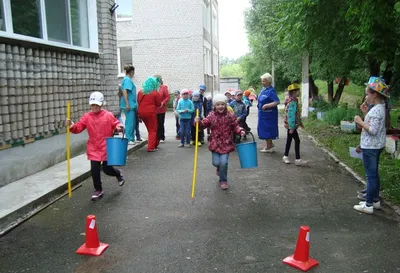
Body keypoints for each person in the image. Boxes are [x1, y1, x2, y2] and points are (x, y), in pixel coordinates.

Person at [66, 92, 124, 201]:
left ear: (101, 104)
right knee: (94, 170)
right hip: (93, 147)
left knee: (107, 169)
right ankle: (98, 190)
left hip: (107, 146)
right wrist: (72, 126)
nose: (95, 107)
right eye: (93, 105)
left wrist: (119, 126)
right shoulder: (87, 117)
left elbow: (116, 123)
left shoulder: (108, 115)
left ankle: (118, 174)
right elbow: (79, 127)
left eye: (97, 105)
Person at [353, 76, 389, 214]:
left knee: (370, 176)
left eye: (367, 94)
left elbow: (372, 130)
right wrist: (365, 113)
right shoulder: (378, 108)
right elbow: (375, 125)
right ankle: (375, 201)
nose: (366, 96)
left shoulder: (377, 110)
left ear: (374, 95)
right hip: (375, 146)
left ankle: (368, 205)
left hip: (371, 147)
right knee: (374, 175)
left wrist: (359, 120)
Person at [195, 94, 245, 190]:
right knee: (216, 163)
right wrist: (198, 122)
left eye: (222, 104)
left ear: (225, 105)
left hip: (226, 143)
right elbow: (203, 124)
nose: (220, 106)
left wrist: (240, 130)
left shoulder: (230, 115)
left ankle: (223, 180)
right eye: (218, 104)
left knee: (224, 163)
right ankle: (218, 168)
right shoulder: (211, 115)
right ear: (215, 106)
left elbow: (235, 126)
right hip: (215, 143)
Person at [282, 83, 309, 165]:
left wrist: (299, 123)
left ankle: (285, 156)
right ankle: (297, 159)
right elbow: (291, 115)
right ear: (294, 92)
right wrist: (292, 127)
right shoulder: (293, 101)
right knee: (297, 140)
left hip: (290, 125)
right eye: (298, 91)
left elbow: (295, 114)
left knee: (289, 140)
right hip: (291, 125)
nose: (299, 92)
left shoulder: (290, 100)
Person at [137, 77, 162, 152]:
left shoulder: (140, 92)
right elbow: (158, 104)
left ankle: (154, 143)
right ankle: (151, 147)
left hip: (141, 112)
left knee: (150, 129)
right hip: (151, 112)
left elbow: (138, 102)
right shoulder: (155, 93)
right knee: (153, 129)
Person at [257, 72, 280, 153]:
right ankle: (270, 144)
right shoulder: (263, 89)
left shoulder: (271, 91)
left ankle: (269, 147)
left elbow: (277, 101)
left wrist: (267, 105)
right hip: (263, 114)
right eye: (262, 81)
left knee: (268, 129)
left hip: (269, 114)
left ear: (269, 82)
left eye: (264, 81)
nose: (262, 82)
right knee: (263, 129)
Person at [120, 65, 137, 144]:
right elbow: (125, 91)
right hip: (129, 104)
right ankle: (129, 139)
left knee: (130, 122)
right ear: (131, 72)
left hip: (130, 104)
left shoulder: (125, 79)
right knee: (130, 122)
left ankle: (131, 138)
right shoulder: (127, 80)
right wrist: (127, 103)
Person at [154, 75, 170, 143]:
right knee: (155, 123)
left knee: (160, 123)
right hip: (154, 108)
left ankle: (161, 137)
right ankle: (156, 137)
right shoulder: (153, 88)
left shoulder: (163, 87)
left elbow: (167, 96)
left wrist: (163, 102)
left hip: (161, 108)